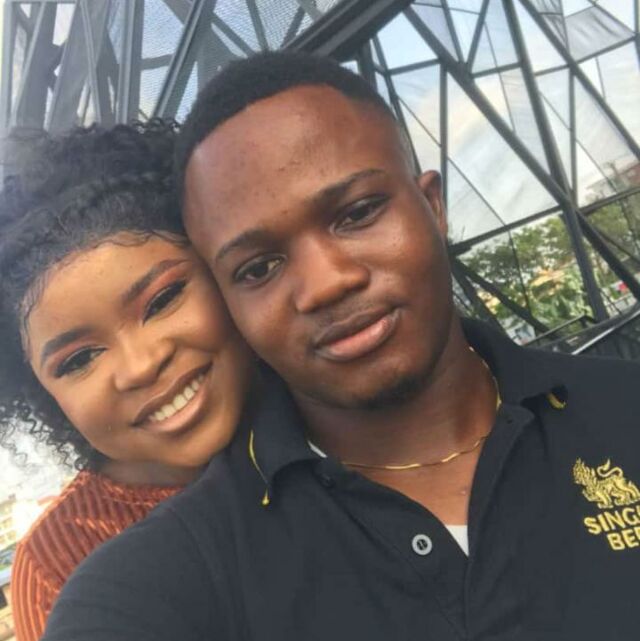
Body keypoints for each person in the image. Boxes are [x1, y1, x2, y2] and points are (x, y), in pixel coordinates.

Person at [43, 52, 640, 641]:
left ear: (433, 206)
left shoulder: (623, 410)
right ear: (228, 302)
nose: (326, 284)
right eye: (258, 268)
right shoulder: (163, 580)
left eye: (356, 214)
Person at [0, 120, 253, 641]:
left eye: (163, 300)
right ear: (45, 396)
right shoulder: (61, 563)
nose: (140, 366)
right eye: (78, 360)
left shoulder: (337, 410)